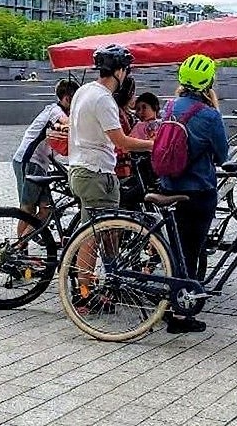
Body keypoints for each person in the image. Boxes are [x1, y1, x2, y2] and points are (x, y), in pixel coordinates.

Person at [68, 45, 153, 306]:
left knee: (98, 232)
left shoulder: (84, 91)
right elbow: (121, 141)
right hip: (96, 173)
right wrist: (154, 144)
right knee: (93, 235)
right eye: (126, 70)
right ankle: (85, 295)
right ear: (119, 71)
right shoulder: (104, 98)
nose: (126, 76)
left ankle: (98, 286)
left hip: (80, 168)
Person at [158, 54, 229, 333]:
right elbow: (222, 155)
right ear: (209, 82)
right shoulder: (210, 115)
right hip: (198, 190)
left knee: (176, 250)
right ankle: (180, 315)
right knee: (192, 251)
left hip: (168, 186)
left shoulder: (170, 106)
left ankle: (171, 301)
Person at [12, 79, 80, 231]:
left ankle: (24, 240)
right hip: (29, 160)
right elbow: (67, 124)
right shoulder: (55, 111)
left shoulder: (59, 110)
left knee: (46, 209)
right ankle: (18, 249)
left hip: (40, 164)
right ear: (67, 99)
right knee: (27, 208)